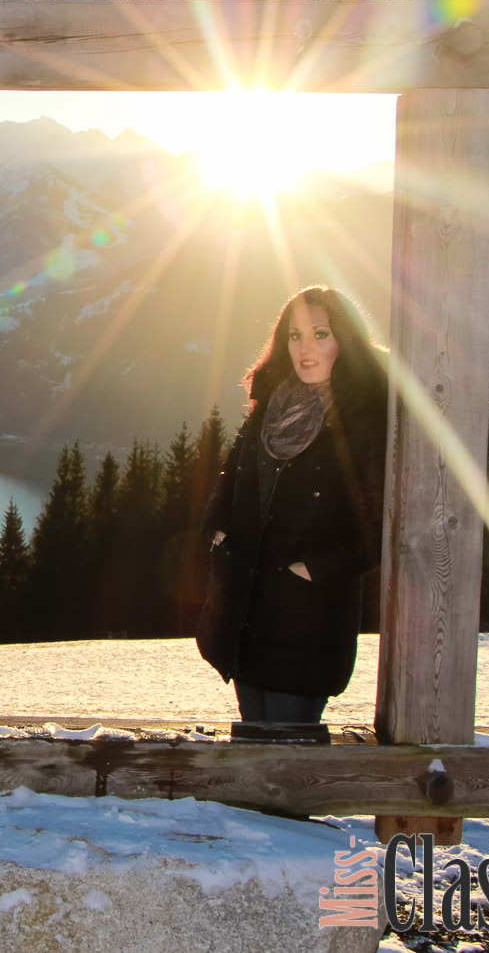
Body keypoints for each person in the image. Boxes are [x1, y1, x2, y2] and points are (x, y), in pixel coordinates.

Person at [198, 286, 389, 724]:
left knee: (287, 758)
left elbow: (377, 527)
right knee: (252, 747)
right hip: (249, 610)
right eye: (294, 335)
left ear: (345, 339)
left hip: (309, 620)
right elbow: (232, 478)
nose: (305, 349)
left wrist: (313, 568)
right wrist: (219, 526)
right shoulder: (270, 405)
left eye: (320, 334)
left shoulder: (365, 418)